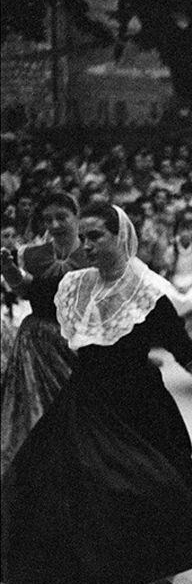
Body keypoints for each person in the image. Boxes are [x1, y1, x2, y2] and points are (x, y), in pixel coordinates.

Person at [1, 203, 192, 584]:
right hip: (84, 401)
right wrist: (8, 270)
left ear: (121, 236)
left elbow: (187, 353)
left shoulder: (149, 293)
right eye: (83, 238)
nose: (87, 246)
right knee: (68, 488)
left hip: (139, 406)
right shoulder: (76, 285)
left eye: (96, 236)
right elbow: (32, 292)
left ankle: (154, 572)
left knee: (149, 487)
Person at [0, 192, 89, 477]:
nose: (55, 224)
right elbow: (27, 290)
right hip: (36, 341)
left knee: (79, 408)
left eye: (61, 217)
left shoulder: (92, 253)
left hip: (78, 339)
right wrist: (11, 273)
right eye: (48, 219)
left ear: (77, 217)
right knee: (33, 410)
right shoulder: (32, 254)